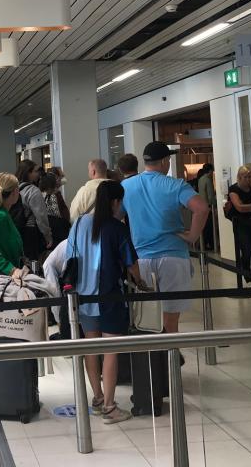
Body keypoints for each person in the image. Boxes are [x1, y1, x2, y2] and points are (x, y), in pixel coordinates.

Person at [68, 180, 143, 424]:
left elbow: (70, 258)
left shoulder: (78, 224)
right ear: (115, 201)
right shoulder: (117, 228)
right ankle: (111, 407)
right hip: (110, 295)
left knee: (91, 347)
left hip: (83, 295)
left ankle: (98, 398)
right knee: (111, 350)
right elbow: (131, 263)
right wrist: (141, 282)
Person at [122, 141, 209, 334]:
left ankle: (155, 359)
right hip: (174, 258)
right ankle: (171, 356)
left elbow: (116, 218)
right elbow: (201, 208)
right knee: (171, 319)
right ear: (164, 162)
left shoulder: (127, 186)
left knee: (146, 317)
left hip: (141, 258)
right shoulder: (175, 185)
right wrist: (192, 235)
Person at [228, 166, 251, 283]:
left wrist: (249, 207)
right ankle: (247, 276)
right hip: (241, 224)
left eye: (250, 177)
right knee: (246, 251)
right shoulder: (234, 189)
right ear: (239, 177)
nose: (248, 179)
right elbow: (240, 208)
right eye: (245, 177)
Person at [14, 159, 53, 258]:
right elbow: (41, 217)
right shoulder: (33, 191)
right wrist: (48, 236)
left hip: (16, 230)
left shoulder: (14, 188)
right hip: (31, 232)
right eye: (35, 171)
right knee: (33, 261)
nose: (38, 174)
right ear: (28, 173)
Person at [197, 164, 217, 251]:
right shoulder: (208, 180)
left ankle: (203, 244)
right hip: (208, 207)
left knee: (204, 227)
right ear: (209, 171)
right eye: (212, 171)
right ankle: (212, 245)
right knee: (210, 226)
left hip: (201, 206)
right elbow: (210, 196)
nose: (212, 173)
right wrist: (215, 205)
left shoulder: (200, 179)